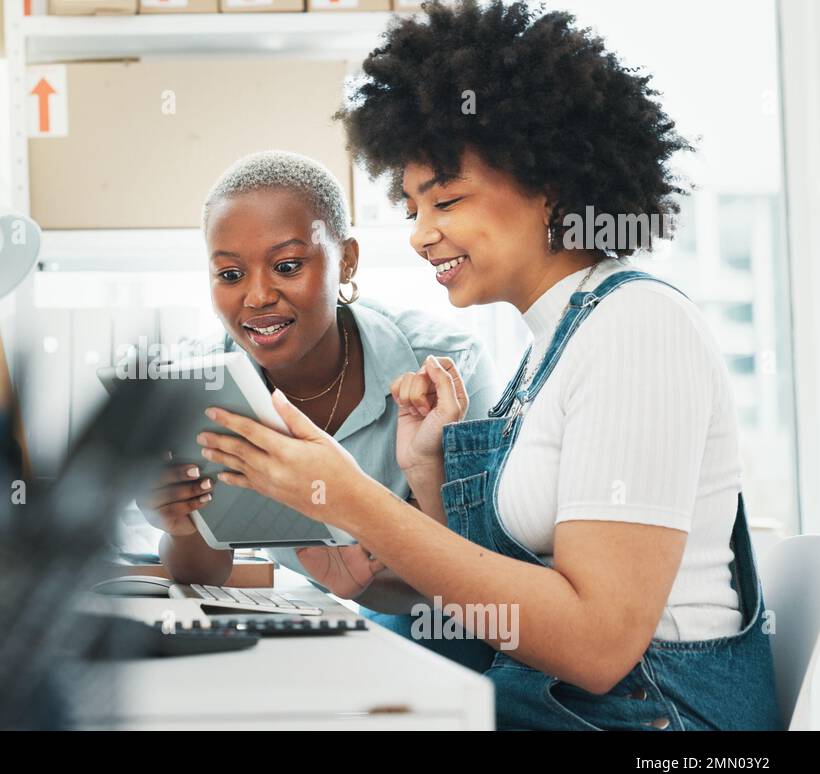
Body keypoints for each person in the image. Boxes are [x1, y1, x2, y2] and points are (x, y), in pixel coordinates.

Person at [195, 0, 780, 730]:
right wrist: (425, 484)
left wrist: (346, 497)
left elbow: (597, 645)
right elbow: (494, 626)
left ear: (549, 184)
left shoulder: (638, 327)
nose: (420, 234)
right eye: (411, 208)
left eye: (446, 199)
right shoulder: (550, 349)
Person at [137, 150, 501, 662]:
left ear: (346, 260)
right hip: (341, 625)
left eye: (287, 266)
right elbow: (202, 573)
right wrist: (181, 526)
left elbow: (480, 574)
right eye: (230, 274)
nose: (258, 296)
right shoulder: (194, 384)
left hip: (465, 640)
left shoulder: (444, 368)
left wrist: (363, 583)